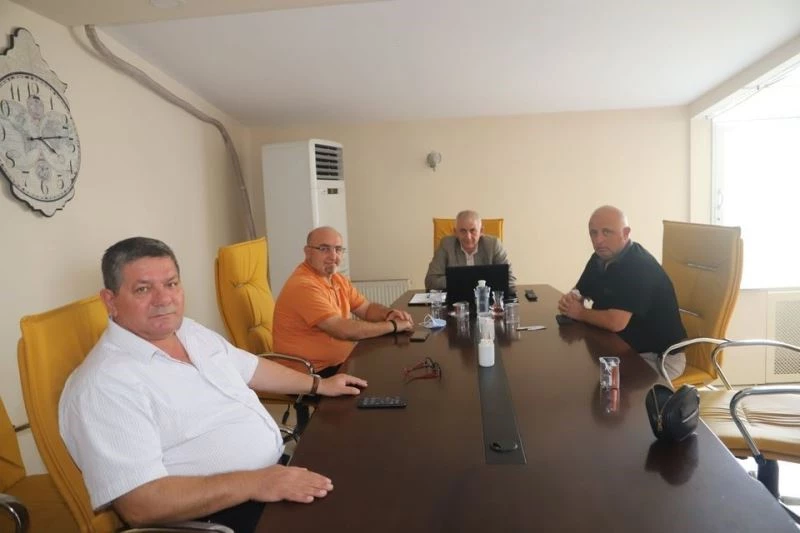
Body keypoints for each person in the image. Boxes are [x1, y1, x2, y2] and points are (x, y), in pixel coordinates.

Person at [59, 237, 368, 533]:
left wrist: (318, 385)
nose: (164, 300)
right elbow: (141, 505)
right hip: (220, 513)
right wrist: (257, 482)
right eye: (143, 289)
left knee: (367, 484)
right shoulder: (104, 385)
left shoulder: (188, 331)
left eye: (171, 284)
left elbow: (252, 368)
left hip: (271, 476)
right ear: (110, 301)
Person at [557, 206, 687, 379]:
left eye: (606, 232)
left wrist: (579, 312)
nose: (598, 240)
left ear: (626, 233)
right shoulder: (600, 258)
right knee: (572, 371)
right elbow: (579, 292)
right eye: (593, 233)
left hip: (658, 358)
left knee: (600, 384)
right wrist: (571, 299)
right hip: (621, 348)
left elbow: (616, 322)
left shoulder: (639, 266)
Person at [273, 226, 414, 373]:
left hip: (340, 364)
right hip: (311, 375)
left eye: (338, 249)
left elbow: (366, 309)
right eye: (324, 249)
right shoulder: (303, 286)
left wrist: (388, 314)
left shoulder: (337, 279)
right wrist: (393, 325)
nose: (333, 256)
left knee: (395, 367)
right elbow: (342, 330)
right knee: (390, 373)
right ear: (308, 252)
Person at [424, 210, 516, 290]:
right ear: (455, 232)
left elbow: (510, 280)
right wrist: (466, 280)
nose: (468, 237)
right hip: (456, 301)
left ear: (481, 231)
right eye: (463, 231)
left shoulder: (493, 245)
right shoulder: (446, 245)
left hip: (486, 300)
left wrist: (460, 280)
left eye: (473, 230)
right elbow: (430, 281)